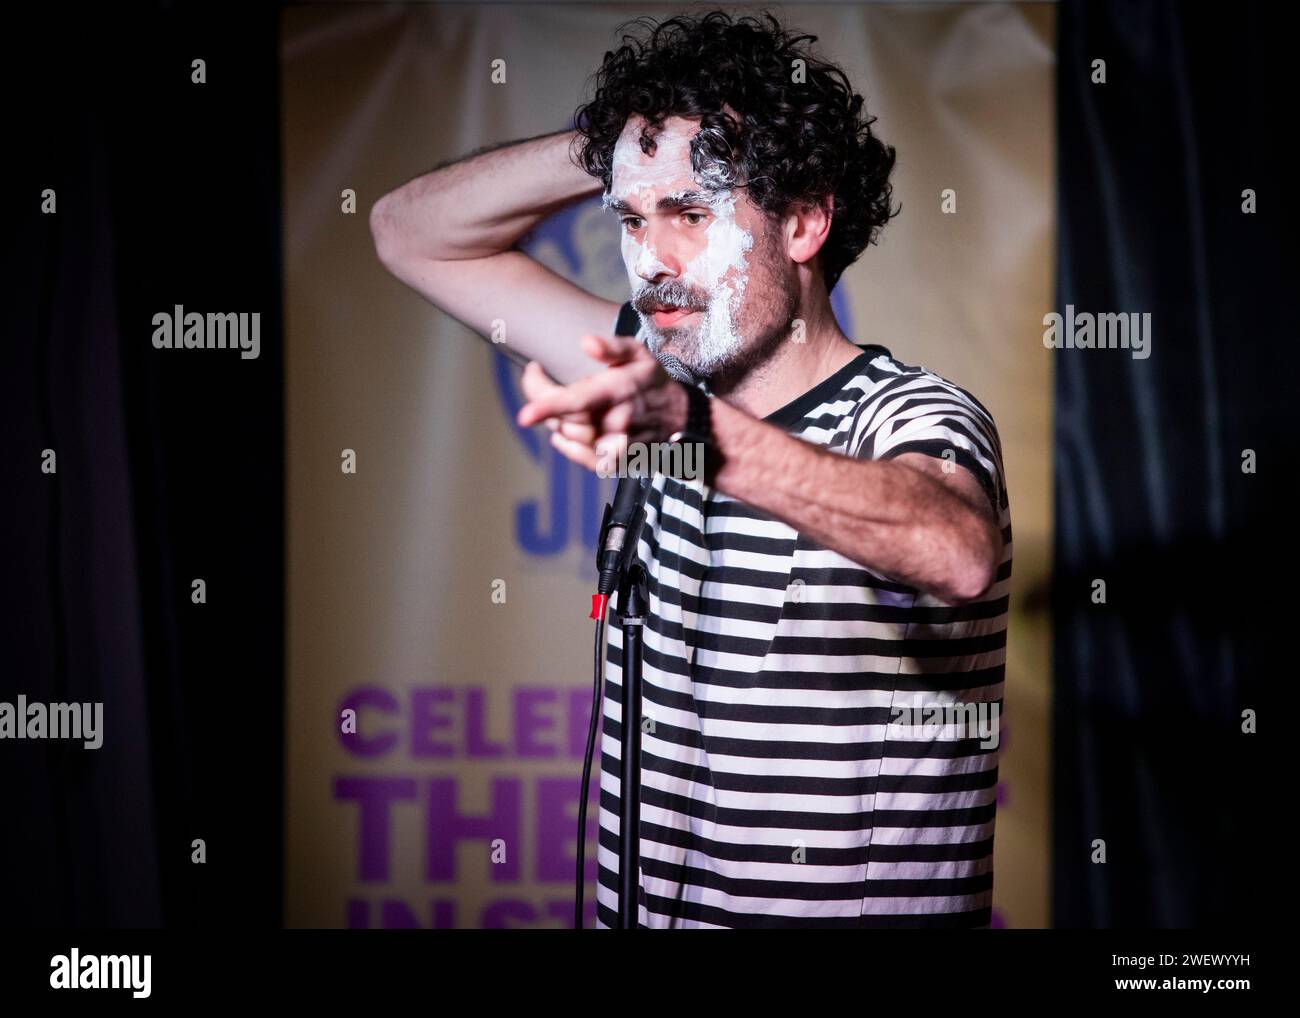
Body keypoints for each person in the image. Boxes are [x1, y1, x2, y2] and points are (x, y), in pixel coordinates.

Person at [370, 10, 1012, 929]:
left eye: (690, 213)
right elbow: (409, 232)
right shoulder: (652, 365)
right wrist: (621, 142)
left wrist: (695, 429)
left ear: (802, 220)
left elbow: (955, 550)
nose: (651, 261)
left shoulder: (906, 412)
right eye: (632, 217)